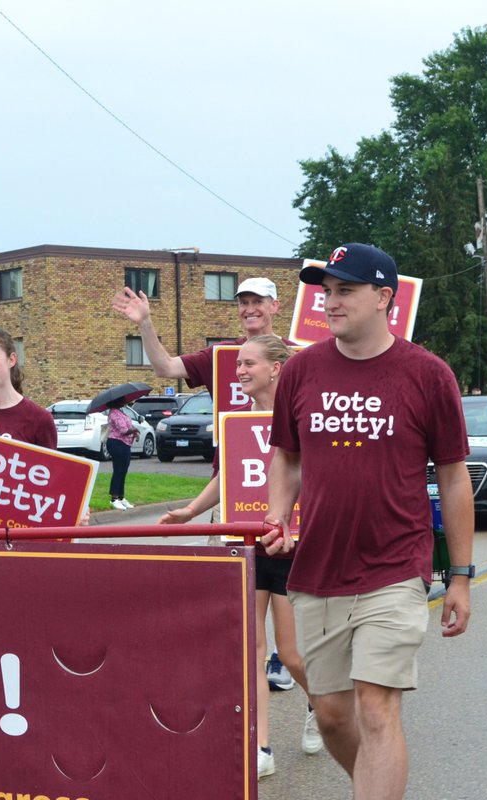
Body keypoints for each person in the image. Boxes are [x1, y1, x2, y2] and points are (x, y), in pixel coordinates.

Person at [263, 243, 473, 800]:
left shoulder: (427, 374)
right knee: (333, 715)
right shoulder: (301, 371)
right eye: (326, 291)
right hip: (318, 569)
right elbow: (285, 455)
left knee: (377, 706)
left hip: (396, 567)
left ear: (384, 297)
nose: (331, 302)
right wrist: (278, 513)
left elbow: (453, 478)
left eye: (345, 290)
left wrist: (460, 575)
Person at [157, 334, 323, 778]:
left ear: (276, 368)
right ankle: (262, 746)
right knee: (252, 649)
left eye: (249, 364)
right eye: (238, 366)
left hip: (288, 546)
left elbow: (315, 478)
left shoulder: (301, 417)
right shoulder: (239, 420)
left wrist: (298, 526)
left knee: (289, 655)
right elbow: (228, 475)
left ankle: (319, 703)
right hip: (245, 543)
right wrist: (192, 511)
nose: (240, 372)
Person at [112, 276, 285, 394]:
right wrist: (145, 322)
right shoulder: (219, 354)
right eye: (244, 303)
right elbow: (165, 367)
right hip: (232, 446)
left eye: (257, 302)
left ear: (274, 306)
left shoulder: (294, 351)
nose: (249, 309)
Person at [102, 396, 140, 509]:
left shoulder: (120, 412)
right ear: (116, 401)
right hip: (117, 444)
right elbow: (123, 431)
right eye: (122, 400)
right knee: (118, 471)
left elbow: (128, 426)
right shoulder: (114, 413)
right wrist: (135, 430)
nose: (125, 401)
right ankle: (114, 498)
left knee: (123, 471)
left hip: (125, 444)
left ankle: (121, 497)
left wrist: (134, 432)